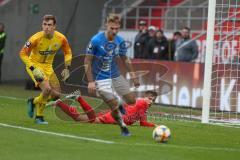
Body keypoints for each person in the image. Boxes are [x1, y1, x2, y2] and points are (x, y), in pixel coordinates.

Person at [84, 13, 140, 136]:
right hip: (100, 79)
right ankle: (123, 126)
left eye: (117, 29)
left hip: (115, 76)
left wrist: (134, 75)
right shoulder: (96, 40)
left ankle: (119, 103)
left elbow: (125, 59)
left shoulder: (120, 41)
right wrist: (91, 81)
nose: (114, 31)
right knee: (114, 105)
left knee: (131, 100)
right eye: (112, 28)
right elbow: (87, 61)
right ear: (106, 26)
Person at [19, 15, 72, 124]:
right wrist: (33, 68)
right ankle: (39, 117)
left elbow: (68, 52)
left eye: (49, 25)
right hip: (34, 65)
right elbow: (22, 53)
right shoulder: (35, 38)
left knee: (56, 95)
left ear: (54, 26)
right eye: (44, 24)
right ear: (42, 25)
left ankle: (33, 101)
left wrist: (67, 68)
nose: (46, 27)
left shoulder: (61, 38)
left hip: (48, 66)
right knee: (47, 89)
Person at [53, 91, 157, 127]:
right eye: (149, 99)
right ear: (145, 97)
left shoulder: (144, 108)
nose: (151, 101)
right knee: (91, 120)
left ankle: (59, 103)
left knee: (79, 119)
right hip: (112, 118)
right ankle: (78, 97)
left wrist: (154, 125)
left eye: (153, 100)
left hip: (112, 116)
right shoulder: (141, 102)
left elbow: (143, 123)